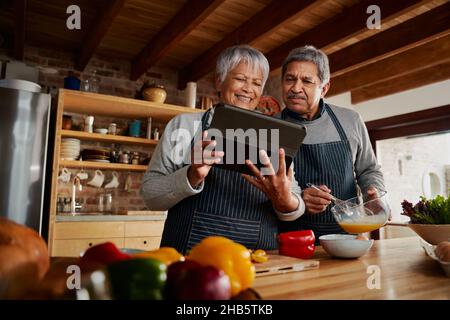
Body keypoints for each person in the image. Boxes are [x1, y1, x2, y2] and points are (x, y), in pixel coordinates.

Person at [140, 45, 303, 254]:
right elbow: (150, 195)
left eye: (256, 83)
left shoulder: (275, 135)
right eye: (241, 79)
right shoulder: (185, 126)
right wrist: (191, 175)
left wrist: (284, 198)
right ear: (219, 80)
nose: (248, 89)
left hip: (258, 261)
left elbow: (296, 207)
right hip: (192, 258)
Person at [275, 45, 386, 239]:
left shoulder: (350, 120)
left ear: (324, 88)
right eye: (289, 79)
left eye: (307, 81)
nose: (295, 88)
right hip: (292, 239)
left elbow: (369, 169)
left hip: (348, 236)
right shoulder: (270, 127)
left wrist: (373, 196)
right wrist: (298, 200)